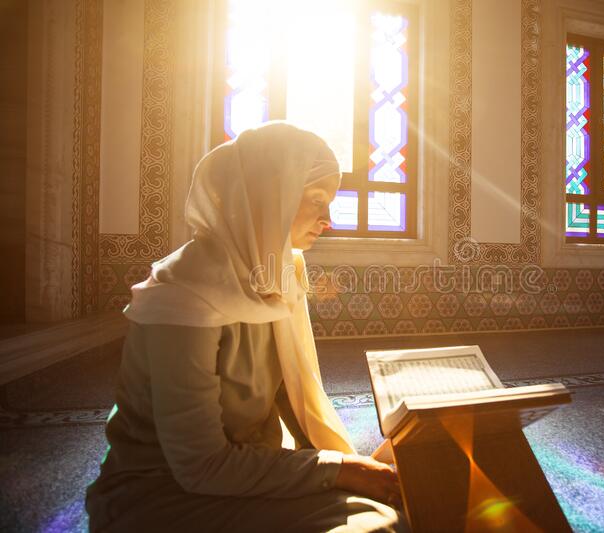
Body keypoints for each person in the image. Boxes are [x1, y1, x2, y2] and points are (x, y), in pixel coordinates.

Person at [85, 122, 408, 532]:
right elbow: (200, 467)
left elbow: (296, 401)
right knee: (373, 525)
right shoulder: (184, 296)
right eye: (316, 199)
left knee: (387, 507)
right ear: (269, 196)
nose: (328, 219)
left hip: (240, 474)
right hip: (161, 494)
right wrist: (342, 469)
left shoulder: (279, 272)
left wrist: (368, 462)